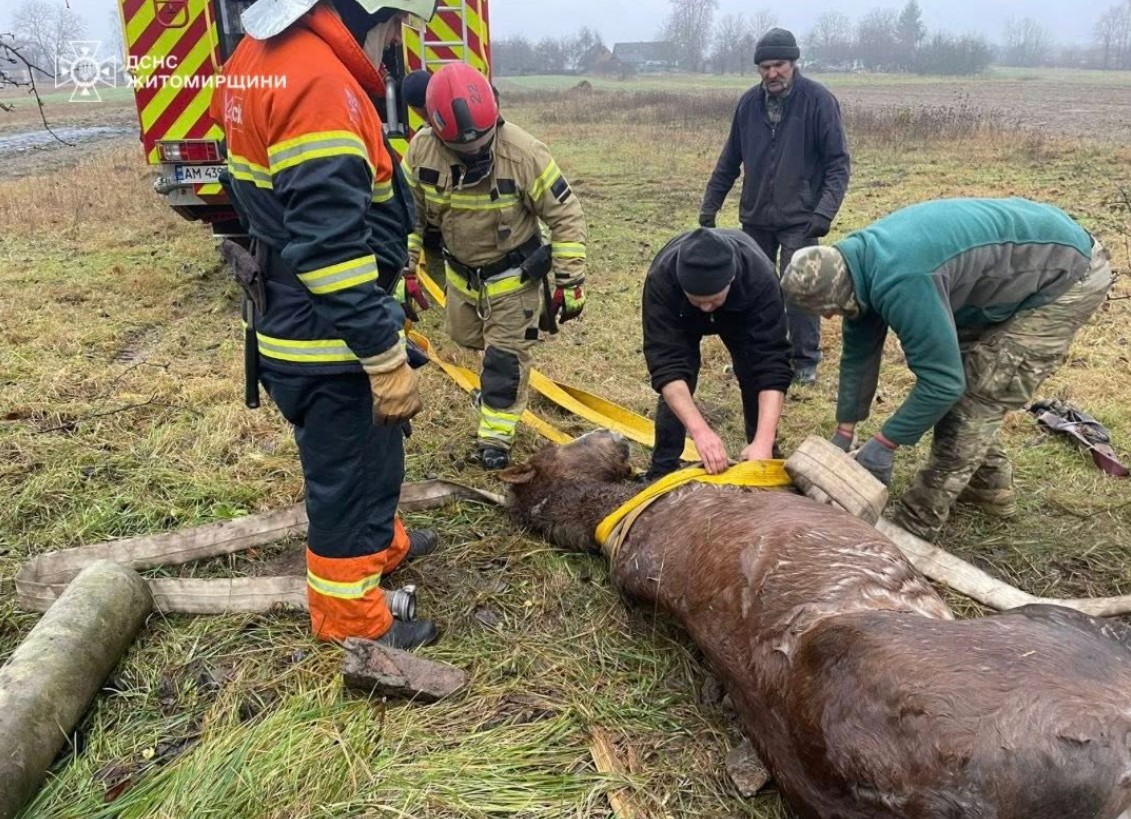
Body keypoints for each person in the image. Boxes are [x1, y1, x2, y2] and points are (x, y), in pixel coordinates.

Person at [211, 0, 442, 649]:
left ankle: (380, 546)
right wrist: (381, 351)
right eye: (396, 27)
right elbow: (328, 251)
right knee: (344, 473)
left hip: (308, 316)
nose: (394, 45)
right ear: (373, 12)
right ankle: (350, 619)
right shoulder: (318, 85)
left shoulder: (257, 58)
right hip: (325, 333)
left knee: (376, 447)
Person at [781, 197, 1113, 541]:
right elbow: (859, 355)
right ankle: (989, 487)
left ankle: (918, 520)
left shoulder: (903, 279)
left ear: (839, 290)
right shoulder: (856, 264)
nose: (831, 318)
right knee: (969, 380)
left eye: (830, 310)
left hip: (1066, 277)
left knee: (978, 396)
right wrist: (844, 431)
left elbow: (942, 383)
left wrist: (885, 443)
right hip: (1003, 278)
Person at [403, 62, 589, 470]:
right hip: (462, 279)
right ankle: (492, 393)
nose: (474, 151)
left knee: (504, 362)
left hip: (513, 280)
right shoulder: (421, 151)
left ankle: (495, 439)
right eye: (461, 146)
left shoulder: (524, 154)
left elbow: (567, 216)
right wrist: (407, 269)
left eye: (481, 141)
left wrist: (570, 280)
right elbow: (407, 216)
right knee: (471, 344)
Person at [698, 27, 851, 386]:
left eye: (779, 65)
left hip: (802, 219)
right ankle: (754, 355)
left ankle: (804, 361)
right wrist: (710, 206)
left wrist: (823, 213)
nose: (772, 74)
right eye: (765, 67)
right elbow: (729, 160)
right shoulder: (749, 104)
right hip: (755, 217)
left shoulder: (819, 101)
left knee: (799, 289)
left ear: (794, 63)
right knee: (751, 289)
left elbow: (838, 164)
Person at [641, 227, 793, 480]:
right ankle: (663, 467)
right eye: (697, 300)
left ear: (731, 280)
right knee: (681, 377)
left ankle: (763, 453)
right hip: (680, 315)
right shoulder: (662, 279)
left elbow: (772, 364)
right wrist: (701, 433)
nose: (705, 307)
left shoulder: (760, 277)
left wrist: (763, 440)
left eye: (713, 299)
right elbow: (666, 365)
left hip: (743, 310)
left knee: (754, 373)